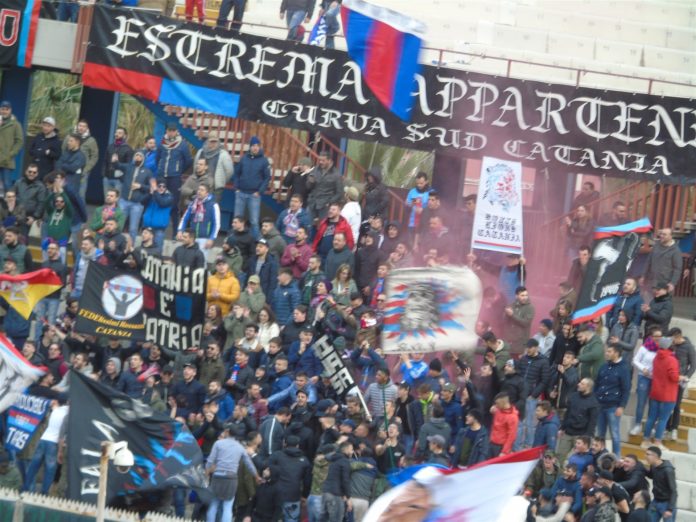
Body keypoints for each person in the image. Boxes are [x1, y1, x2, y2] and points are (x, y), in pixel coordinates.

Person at [205, 423, 261, 522]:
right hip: (231, 479)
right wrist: (256, 476)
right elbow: (249, 464)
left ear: (227, 432)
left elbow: (210, 461)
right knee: (227, 506)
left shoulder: (218, 443)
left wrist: (206, 473)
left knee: (213, 504)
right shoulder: (240, 447)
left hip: (217, 477)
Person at [641, 336, 679, 451]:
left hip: (655, 392)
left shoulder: (656, 357)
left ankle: (645, 441)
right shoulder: (672, 360)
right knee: (663, 419)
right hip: (668, 395)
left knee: (651, 418)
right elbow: (673, 377)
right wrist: (681, 377)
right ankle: (657, 442)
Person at [595, 345, 630, 455]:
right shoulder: (604, 366)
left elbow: (626, 389)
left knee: (614, 433)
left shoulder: (624, 368)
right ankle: (601, 455)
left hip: (613, 406)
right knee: (600, 433)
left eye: (609, 351)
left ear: (616, 353)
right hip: (600, 404)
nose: (606, 353)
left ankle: (616, 457)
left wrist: (622, 406)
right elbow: (597, 383)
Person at [233, 136, 271, 239]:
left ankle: (257, 242)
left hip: (254, 194)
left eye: (257, 145)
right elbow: (237, 173)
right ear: (250, 147)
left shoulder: (264, 161)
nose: (255, 148)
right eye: (253, 145)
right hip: (240, 193)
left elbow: (267, 178)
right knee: (237, 218)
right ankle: (234, 239)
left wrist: (260, 191)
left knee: (254, 221)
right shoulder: (243, 158)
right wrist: (236, 188)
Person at [515, 338, 550, 450]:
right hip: (521, 395)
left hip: (531, 397)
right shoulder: (524, 359)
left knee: (530, 423)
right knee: (520, 423)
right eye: (527, 347)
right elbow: (519, 374)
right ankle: (518, 446)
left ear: (536, 348)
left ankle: (529, 445)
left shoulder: (543, 361)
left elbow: (544, 381)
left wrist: (534, 395)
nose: (528, 349)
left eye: (530, 347)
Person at [156, 122, 192, 229]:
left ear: (176, 131)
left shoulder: (182, 144)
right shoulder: (162, 143)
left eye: (173, 131)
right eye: (169, 131)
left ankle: (175, 231)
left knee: (174, 204)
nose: (171, 133)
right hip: (162, 176)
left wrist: (179, 170)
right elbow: (158, 157)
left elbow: (188, 160)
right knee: (159, 201)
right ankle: (158, 227)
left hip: (174, 177)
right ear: (166, 131)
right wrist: (160, 169)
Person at [666, 327, 695, 440]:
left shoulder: (689, 347)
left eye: (673, 339)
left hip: (680, 380)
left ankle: (674, 429)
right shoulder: (671, 345)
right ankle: (666, 427)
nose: (672, 341)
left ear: (678, 336)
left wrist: (686, 377)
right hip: (669, 379)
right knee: (667, 404)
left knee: (676, 405)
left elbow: (693, 365)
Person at [178, 183, 221, 257]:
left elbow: (216, 224)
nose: (199, 192)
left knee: (201, 263)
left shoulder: (213, 205)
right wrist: (180, 230)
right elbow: (185, 219)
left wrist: (211, 238)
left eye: (202, 190)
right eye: (198, 189)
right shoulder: (193, 204)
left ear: (207, 193)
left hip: (204, 239)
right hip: (191, 238)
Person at [641, 228, 682, 293]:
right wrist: (643, 275)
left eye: (664, 234)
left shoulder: (676, 250)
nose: (661, 236)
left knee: (662, 302)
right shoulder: (656, 246)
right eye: (661, 234)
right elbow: (648, 262)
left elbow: (677, 269)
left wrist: (672, 283)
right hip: (651, 281)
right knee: (648, 302)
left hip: (665, 284)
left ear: (671, 236)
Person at [194, 131, 233, 199]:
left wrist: (221, 180)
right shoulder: (200, 152)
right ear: (207, 141)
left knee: (213, 208)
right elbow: (195, 167)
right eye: (211, 141)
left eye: (215, 141)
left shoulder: (223, 154)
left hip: (216, 189)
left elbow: (229, 171)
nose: (213, 143)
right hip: (200, 186)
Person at [321, 441, 354, 522]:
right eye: (351, 449)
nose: (353, 452)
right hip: (335, 494)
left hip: (326, 492)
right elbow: (345, 480)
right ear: (346, 450)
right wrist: (348, 497)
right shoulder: (344, 461)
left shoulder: (334, 460)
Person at [306, 151, 343, 222]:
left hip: (325, 206)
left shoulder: (336, 174)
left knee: (323, 228)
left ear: (329, 161)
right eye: (319, 160)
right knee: (306, 225)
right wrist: (310, 182)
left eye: (323, 160)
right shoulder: (315, 170)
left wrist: (329, 202)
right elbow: (308, 187)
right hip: (312, 202)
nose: (320, 162)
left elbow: (339, 193)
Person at [645, 446, 677, 521]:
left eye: (648, 454)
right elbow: (651, 475)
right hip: (655, 501)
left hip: (666, 504)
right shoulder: (653, 466)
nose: (645, 456)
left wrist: (670, 509)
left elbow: (673, 490)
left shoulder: (668, 470)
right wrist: (639, 467)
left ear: (655, 456)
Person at [0, 101, 24, 193]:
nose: (4, 111)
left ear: (10, 110)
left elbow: (19, 141)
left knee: (7, 184)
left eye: (6, 109)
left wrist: (11, 154)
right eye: (2, 109)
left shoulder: (16, 124)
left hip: (7, 160)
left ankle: (8, 206)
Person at [489, 392, 519, 457]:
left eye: (497, 403)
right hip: (492, 443)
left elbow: (511, 436)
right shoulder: (498, 410)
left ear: (503, 403)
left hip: (500, 447)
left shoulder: (512, 417)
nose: (496, 405)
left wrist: (504, 451)